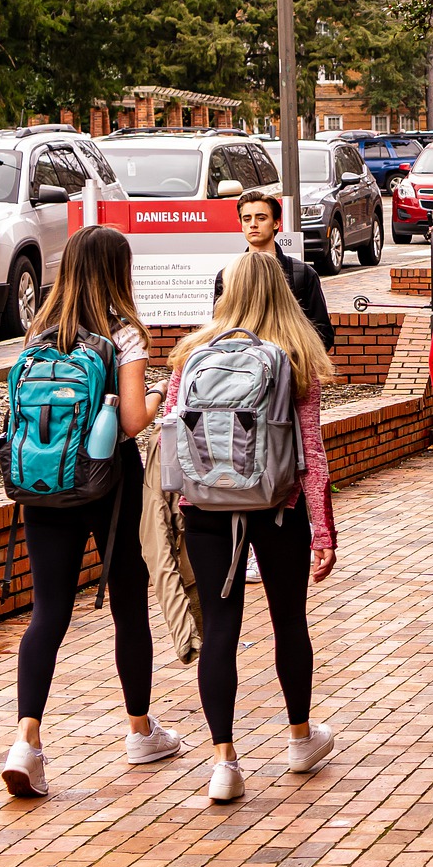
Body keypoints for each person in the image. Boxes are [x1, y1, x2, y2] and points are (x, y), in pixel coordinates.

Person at [0, 226, 178, 798]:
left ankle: (26, 743)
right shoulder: (123, 335)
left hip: (44, 481)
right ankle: (139, 730)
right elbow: (129, 422)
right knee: (129, 603)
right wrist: (159, 394)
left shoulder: (39, 333)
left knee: (47, 613)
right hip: (109, 483)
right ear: (117, 271)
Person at [166, 251, 339, 801]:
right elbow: (311, 449)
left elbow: (173, 435)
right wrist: (324, 530)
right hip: (278, 506)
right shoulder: (297, 354)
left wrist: (179, 505)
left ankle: (224, 763)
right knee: (288, 620)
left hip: (206, 509)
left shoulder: (193, 353)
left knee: (220, 627)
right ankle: (299, 738)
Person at [215, 191, 335, 351]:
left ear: (276, 223)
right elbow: (219, 331)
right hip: (242, 369)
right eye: (247, 219)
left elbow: (323, 334)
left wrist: (292, 358)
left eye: (261, 218)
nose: (253, 224)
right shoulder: (227, 276)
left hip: (290, 370)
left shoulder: (302, 274)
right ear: (241, 224)